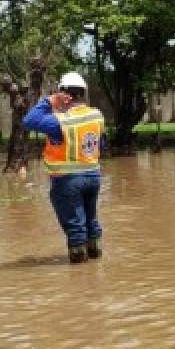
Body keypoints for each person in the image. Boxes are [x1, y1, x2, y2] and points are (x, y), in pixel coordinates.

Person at [21, 71, 106, 264]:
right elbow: (100, 145)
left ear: (64, 95)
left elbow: (28, 121)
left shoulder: (60, 121)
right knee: (91, 221)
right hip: (93, 176)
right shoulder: (96, 115)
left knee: (75, 226)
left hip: (68, 181)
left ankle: (79, 270)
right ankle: (95, 261)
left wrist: (50, 100)